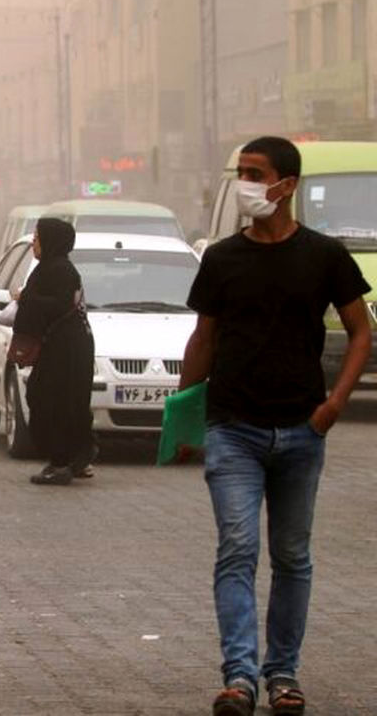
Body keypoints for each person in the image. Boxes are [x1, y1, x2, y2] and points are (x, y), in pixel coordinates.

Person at [180, 137, 371, 716]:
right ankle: (240, 678)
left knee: (292, 557)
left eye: (255, 173)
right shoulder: (221, 258)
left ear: (286, 185)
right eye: (242, 172)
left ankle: (282, 673)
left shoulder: (325, 255)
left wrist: (334, 403)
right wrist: (184, 412)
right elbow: (204, 338)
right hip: (232, 428)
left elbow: (362, 332)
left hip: (300, 432)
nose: (245, 183)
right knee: (237, 549)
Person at [10, 218, 95, 486]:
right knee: (64, 402)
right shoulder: (53, 267)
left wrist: (25, 298)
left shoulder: (58, 270)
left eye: (37, 239)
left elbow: (58, 305)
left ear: (51, 241)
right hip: (63, 345)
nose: (34, 244)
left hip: (65, 349)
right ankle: (76, 456)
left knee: (51, 402)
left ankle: (60, 464)